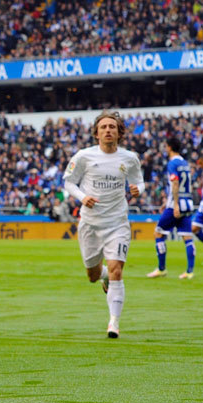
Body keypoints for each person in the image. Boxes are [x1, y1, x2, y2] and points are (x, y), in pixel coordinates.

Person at [63, 111, 144, 339]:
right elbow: (69, 183)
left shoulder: (129, 158)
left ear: (119, 133)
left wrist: (139, 190)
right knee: (92, 274)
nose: (108, 130)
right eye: (103, 127)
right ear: (96, 133)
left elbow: (139, 181)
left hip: (117, 223)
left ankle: (114, 323)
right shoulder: (84, 156)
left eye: (112, 127)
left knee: (118, 270)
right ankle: (104, 275)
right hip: (90, 224)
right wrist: (82, 197)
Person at [147, 137, 196, 280]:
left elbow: (175, 183)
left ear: (169, 147)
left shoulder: (172, 163)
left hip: (177, 204)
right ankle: (189, 271)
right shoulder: (185, 163)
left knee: (158, 234)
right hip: (187, 202)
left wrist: (174, 204)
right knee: (187, 237)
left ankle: (161, 269)